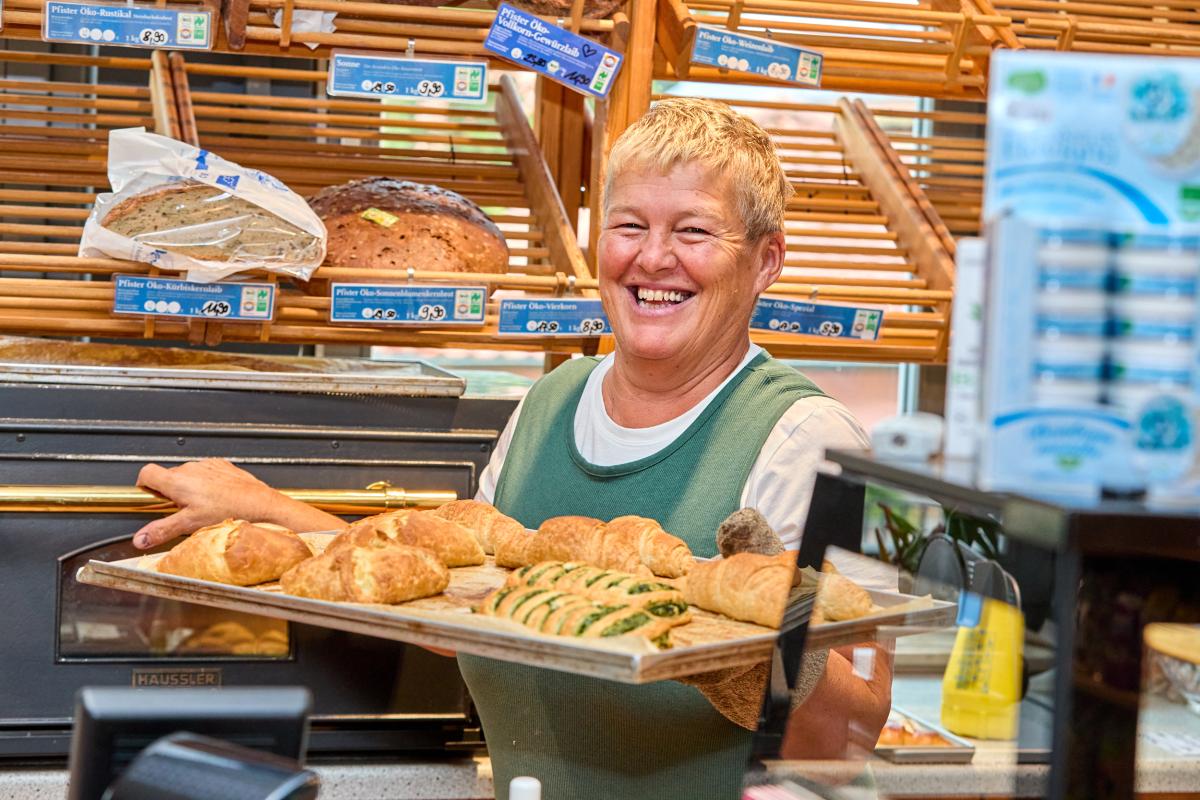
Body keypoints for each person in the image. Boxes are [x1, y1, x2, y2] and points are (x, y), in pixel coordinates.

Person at [132, 98, 890, 800]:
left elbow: (845, 744)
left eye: (692, 230)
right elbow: (461, 611)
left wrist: (776, 646)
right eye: (630, 226)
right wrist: (266, 511)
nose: (653, 259)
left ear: (764, 261)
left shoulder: (811, 441)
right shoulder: (547, 403)